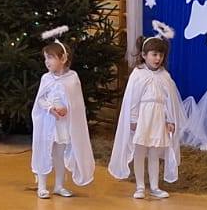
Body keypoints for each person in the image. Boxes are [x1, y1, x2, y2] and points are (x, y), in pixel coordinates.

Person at [109, 21, 184, 200]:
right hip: (143, 117)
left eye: (161, 55)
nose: (158, 58)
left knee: (154, 152)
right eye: (154, 54)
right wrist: (133, 119)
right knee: (140, 151)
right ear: (144, 55)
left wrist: (170, 120)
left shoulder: (165, 76)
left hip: (158, 118)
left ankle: (155, 187)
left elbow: (168, 101)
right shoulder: (138, 74)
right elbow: (133, 100)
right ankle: (140, 186)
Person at [32, 27, 96, 199]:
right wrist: (50, 109)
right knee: (45, 151)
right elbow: (40, 99)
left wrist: (66, 108)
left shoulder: (72, 78)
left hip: (62, 123)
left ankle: (59, 185)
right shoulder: (46, 78)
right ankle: (42, 186)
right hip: (47, 122)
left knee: (59, 155)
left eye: (50, 58)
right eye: (45, 58)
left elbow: (76, 103)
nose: (47, 62)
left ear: (63, 59)